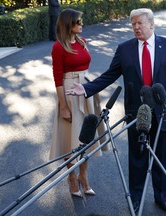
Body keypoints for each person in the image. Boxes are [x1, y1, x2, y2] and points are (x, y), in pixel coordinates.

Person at [66, 8, 166, 212]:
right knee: (137, 159)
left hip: (163, 112)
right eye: (133, 24)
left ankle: (162, 198)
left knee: (162, 158)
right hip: (136, 113)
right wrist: (87, 88)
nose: (135, 27)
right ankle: (135, 198)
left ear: (152, 24)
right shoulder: (124, 49)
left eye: (139, 23)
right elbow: (109, 75)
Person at [49, 8, 110, 198]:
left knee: (87, 137)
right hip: (69, 93)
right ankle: (72, 177)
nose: (81, 24)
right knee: (71, 138)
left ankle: (84, 175)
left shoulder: (83, 42)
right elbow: (57, 79)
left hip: (86, 91)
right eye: (78, 22)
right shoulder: (59, 47)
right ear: (69, 24)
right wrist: (64, 107)